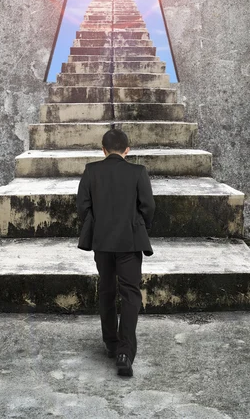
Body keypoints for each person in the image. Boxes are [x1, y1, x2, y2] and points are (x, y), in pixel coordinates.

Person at [76, 128, 155, 378]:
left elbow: (82, 206)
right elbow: (148, 206)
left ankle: (111, 343)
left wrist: (98, 227)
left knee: (107, 291)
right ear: (127, 150)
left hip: (102, 242)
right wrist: (137, 225)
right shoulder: (137, 172)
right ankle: (125, 351)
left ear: (103, 149)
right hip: (130, 243)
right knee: (130, 294)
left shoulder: (91, 171)